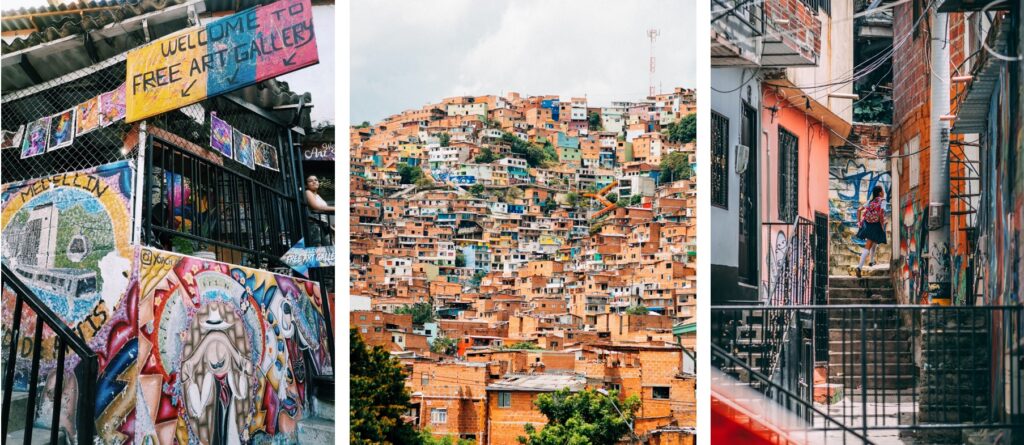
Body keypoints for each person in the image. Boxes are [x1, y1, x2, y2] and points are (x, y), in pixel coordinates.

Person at [855, 185, 887, 277]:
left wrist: (858, 222)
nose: (883, 192)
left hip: (867, 224)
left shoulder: (870, 201)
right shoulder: (883, 201)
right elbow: (881, 214)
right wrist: (882, 225)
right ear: (880, 193)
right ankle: (859, 267)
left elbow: (859, 210)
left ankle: (872, 261)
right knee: (868, 245)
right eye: (883, 191)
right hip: (876, 225)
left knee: (874, 241)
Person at [304, 175, 334, 246]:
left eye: (315, 180)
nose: (314, 182)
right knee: (318, 249)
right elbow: (316, 207)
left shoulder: (317, 195)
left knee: (329, 248)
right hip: (315, 225)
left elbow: (323, 210)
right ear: (306, 185)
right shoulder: (308, 192)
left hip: (323, 224)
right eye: (310, 181)